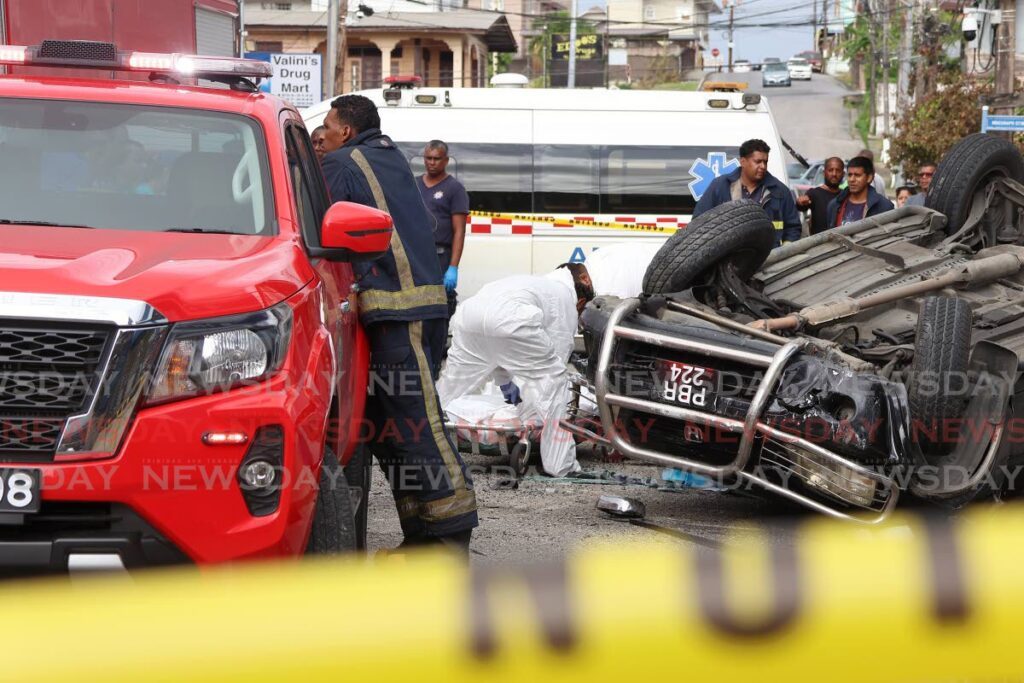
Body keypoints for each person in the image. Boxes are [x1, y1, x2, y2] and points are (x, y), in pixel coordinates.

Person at [320, 95, 477, 551]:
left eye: (327, 128)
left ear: (346, 130)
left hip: (394, 312)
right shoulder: (387, 156)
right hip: (417, 309)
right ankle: (423, 535)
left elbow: (326, 231)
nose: (323, 138)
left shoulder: (343, 163)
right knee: (394, 429)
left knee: (417, 425)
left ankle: (448, 537)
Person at [436, 264, 596, 478]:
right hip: (509, 320)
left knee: (450, 386)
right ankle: (561, 465)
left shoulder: (533, 283)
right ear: (581, 300)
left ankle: (419, 446)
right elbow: (554, 362)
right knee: (556, 381)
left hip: (468, 316)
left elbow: (496, 346)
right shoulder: (565, 298)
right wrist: (534, 405)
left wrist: (504, 383)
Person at [693, 138, 801, 246]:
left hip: (769, 259)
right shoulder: (720, 186)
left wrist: (784, 251)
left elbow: (793, 228)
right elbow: (698, 221)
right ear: (743, 162)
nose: (763, 166)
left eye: (765, 162)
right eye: (758, 162)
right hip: (730, 257)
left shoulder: (780, 191)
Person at [417, 140, 468, 317]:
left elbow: (459, 231)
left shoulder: (454, 188)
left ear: (446, 161)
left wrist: (453, 267)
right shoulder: (413, 184)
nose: (431, 162)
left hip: (440, 257)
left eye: (436, 159)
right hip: (416, 255)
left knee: (439, 306)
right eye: (428, 158)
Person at [826, 156, 895, 227]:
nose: (852, 179)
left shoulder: (884, 207)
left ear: (869, 178)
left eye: (857, 175)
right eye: (849, 175)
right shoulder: (835, 205)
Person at [796, 156, 844, 234]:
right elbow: (802, 207)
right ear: (824, 173)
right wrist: (800, 202)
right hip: (819, 244)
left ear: (843, 174)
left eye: (838, 171)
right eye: (830, 170)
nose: (834, 174)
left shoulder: (845, 195)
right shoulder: (814, 193)